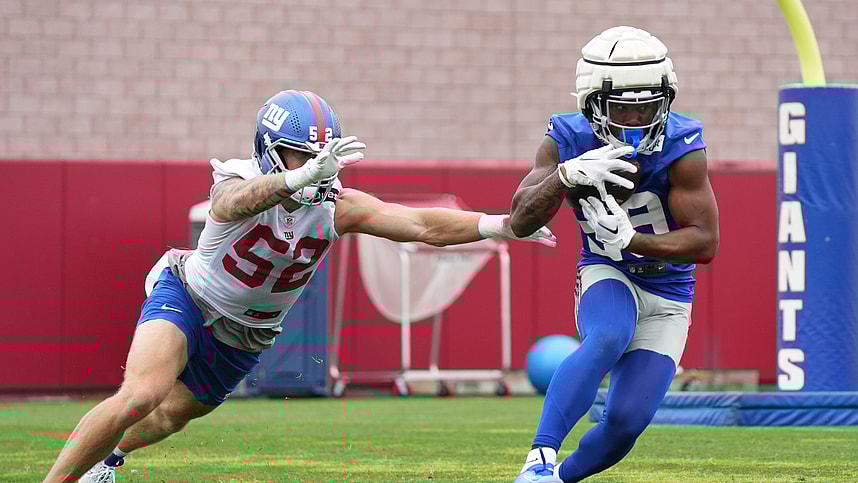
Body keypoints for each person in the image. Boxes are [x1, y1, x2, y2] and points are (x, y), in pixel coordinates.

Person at [44, 89, 557, 482]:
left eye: (319, 157)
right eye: (296, 156)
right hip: (189, 296)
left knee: (170, 418)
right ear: (270, 154)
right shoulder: (240, 178)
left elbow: (421, 225)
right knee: (141, 395)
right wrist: (292, 180)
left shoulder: (336, 205)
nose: (312, 168)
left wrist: (503, 225)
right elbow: (229, 205)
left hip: (247, 335)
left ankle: (109, 459)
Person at [509, 26, 720, 482]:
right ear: (592, 103)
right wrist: (563, 176)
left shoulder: (683, 148)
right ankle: (540, 457)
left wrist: (634, 240)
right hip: (609, 271)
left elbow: (705, 242)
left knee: (627, 423)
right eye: (624, 105)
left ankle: (556, 479)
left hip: (669, 292)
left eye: (649, 104)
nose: (639, 117)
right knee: (609, 334)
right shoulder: (566, 138)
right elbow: (520, 220)